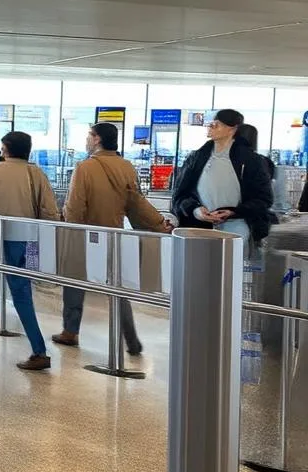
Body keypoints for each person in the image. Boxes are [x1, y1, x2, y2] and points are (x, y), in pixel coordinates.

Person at [53, 122, 171, 355]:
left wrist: (67, 229)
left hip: (85, 235)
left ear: (97, 139)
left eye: (89, 136)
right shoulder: (126, 166)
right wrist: (158, 224)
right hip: (114, 235)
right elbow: (136, 203)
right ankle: (132, 339)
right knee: (117, 288)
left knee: (74, 282)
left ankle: (70, 331)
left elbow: (75, 207)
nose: (87, 140)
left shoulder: (85, 167)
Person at [0, 131, 59, 371]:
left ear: (5, 149)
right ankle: (37, 349)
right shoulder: (36, 173)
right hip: (28, 239)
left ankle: (37, 350)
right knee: (22, 291)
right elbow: (50, 211)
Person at [171, 109, 275, 245]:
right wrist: (195, 210)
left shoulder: (251, 161)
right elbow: (180, 194)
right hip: (197, 227)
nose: (210, 128)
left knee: (230, 263)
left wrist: (234, 212)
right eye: (210, 124)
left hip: (236, 228)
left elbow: (264, 198)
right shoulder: (196, 158)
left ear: (232, 129)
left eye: (216, 125)